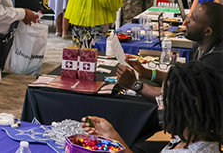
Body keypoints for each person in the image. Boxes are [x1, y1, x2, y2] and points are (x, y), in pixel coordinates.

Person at [82, 61, 223, 153]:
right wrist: (112, 136)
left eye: (164, 99)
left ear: (186, 108)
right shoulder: (190, 137)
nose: (160, 105)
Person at [115, 1, 223, 100]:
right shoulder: (200, 47)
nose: (186, 21)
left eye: (193, 19)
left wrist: (135, 85)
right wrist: (147, 73)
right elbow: (184, 79)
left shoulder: (214, 61)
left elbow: (177, 96)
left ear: (207, 31)